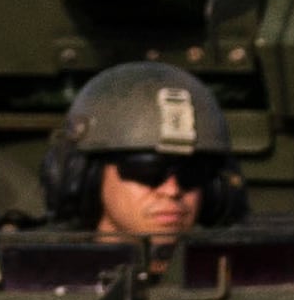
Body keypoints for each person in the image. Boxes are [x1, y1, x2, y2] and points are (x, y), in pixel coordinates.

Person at [46, 60, 234, 238]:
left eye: (192, 173)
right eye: (147, 172)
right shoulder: (36, 269)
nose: (172, 190)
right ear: (84, 180)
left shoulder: (242, 270)